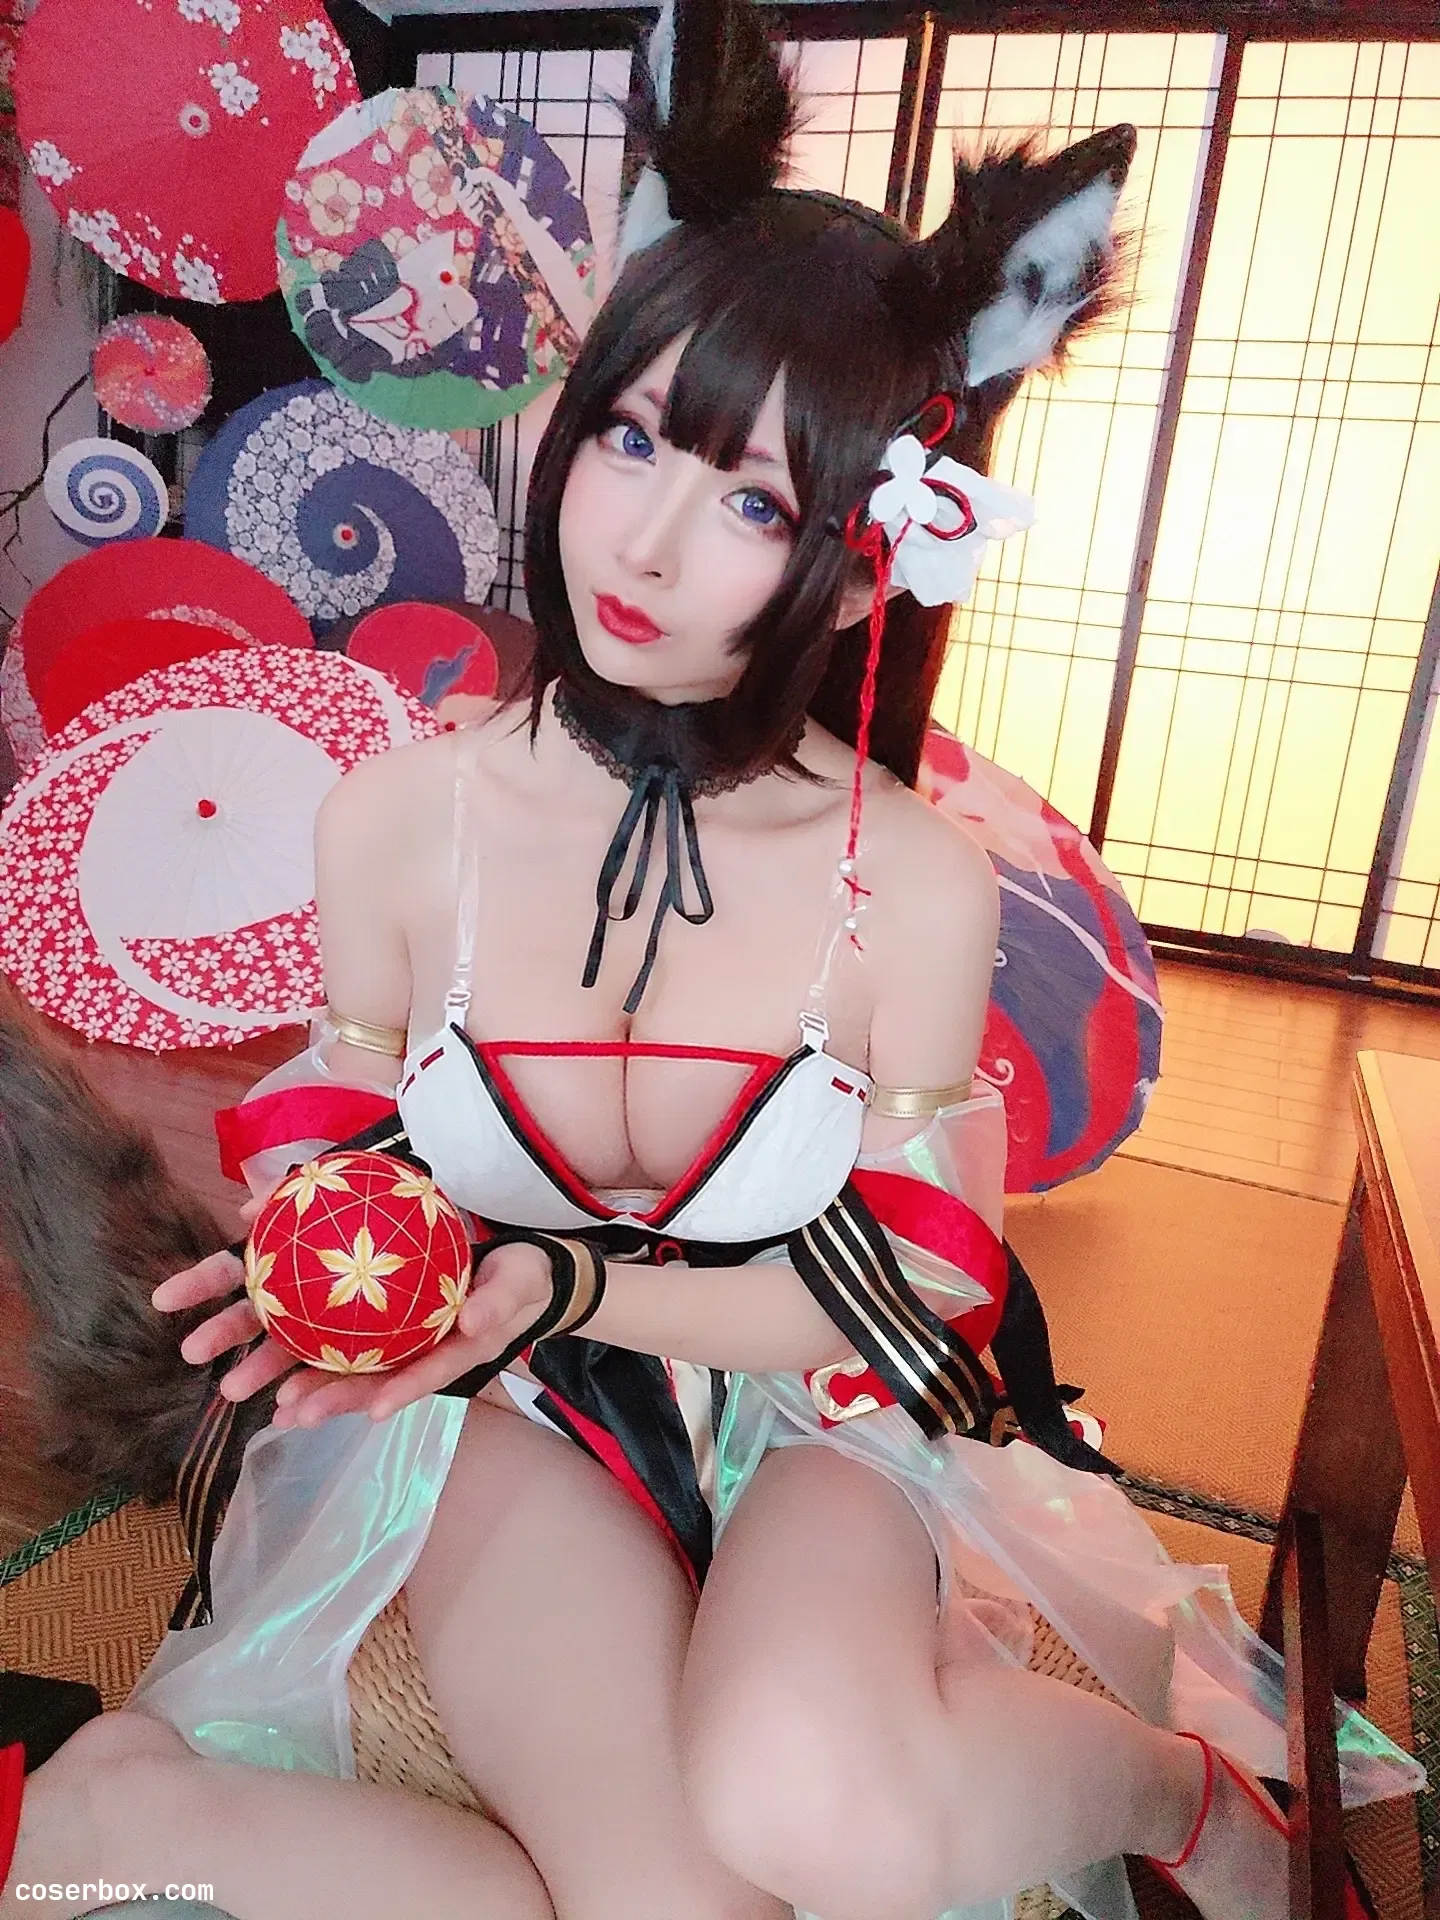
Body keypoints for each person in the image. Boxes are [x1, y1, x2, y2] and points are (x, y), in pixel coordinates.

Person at [0, 3, 1419, 1916]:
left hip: (812, 1397)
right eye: (633, 437)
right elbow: (342, 1106)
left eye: (752, 499)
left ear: (860, 549)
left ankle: (1180, 1799)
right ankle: (125, 1814)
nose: (646, 543)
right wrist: (315, 1241)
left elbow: (918, 1295)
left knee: (816, 1811)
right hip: (496, 1406)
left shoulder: (909, 883)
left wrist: (567, 1270)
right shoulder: (397, 816)